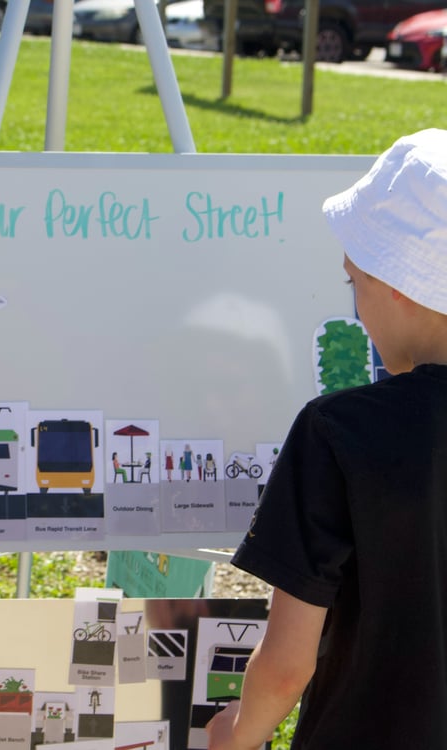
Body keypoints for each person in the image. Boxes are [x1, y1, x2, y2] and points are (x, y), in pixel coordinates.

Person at [206, 128, 447, 749]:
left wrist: (235, 734)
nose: (357, 311)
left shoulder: (339, 431)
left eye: (354, 283)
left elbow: (287, 663)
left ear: (398, 281)